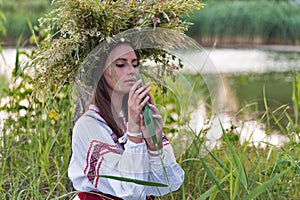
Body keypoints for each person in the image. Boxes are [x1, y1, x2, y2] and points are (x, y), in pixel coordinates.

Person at [68, 42, 184, 200]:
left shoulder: (134, 117)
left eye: (135, 64)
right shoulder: (88, 126)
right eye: (121, 64)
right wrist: (134, 134)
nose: (131, 71)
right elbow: (129, 189)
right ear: (99, 71)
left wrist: (154, 145)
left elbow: (169, 183)